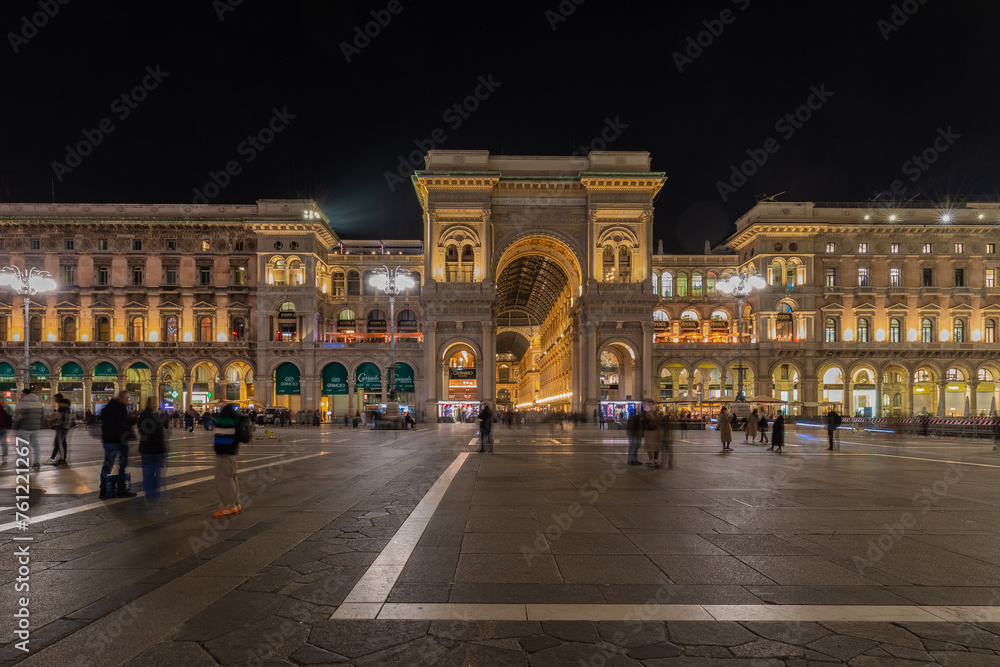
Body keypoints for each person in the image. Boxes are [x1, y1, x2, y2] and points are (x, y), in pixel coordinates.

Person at [99, 391, 137, 498]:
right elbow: (123, 423)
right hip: (119, 441)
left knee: (107, 465)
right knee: (122, 466)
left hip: (107, 440)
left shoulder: (106, 408)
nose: (128, 401)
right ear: (122, 398)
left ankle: (103, 490)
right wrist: (133, 420)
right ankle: (121, 490)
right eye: (127, 398)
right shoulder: (120, 410)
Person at [212, 399, 243, 517]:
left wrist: (219, 450)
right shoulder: (234, 414)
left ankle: (229, 506)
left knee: (224, 480)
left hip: (225, 453)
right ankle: (236, 503)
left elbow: (223, 435)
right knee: (232, 478)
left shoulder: (225, 415)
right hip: (232, 451)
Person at [138, 397, 167, 511]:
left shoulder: (142, 417)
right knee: (157, 473)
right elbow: (159, 436)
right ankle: (156, 495)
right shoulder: (154, 417)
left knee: (147, 474)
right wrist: (163, 451)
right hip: (155, 450)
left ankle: (149, 494)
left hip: (145, 448)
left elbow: (141, 432)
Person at [13, 388, 45, 469]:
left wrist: (15, 428)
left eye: (22, 394)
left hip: (24, 428)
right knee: (36, 445)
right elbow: (42, 417)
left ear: (24, 394)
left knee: (23, 446)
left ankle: (23, 463)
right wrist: (38, 425)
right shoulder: (39, 403)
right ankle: (36, 462)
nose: (21, 395)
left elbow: (18, 417)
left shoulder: (22, 403)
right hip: (35, 428)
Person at [48, 396, 72, 465]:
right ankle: (61, 458)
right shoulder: (67, 409)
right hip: (64, 428)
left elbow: (61, 419)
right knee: (61, 443)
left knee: (60, 444)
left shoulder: (63, 409)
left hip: (62, 428)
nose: (59, 404)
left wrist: (56, 424)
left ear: (64, 403)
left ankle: (62, 459)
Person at [0, 396, 10, 466]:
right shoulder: (2, 407)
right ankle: (5, 456)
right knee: (4, 443)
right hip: (2, 427)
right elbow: (7, 416)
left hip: (2, 427)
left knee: (4, 443)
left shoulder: (2, 406)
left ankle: (5, 456)